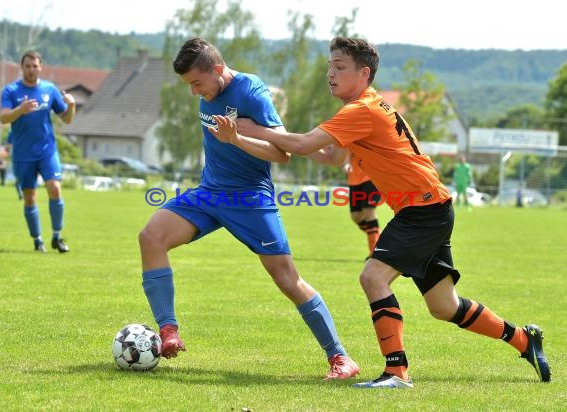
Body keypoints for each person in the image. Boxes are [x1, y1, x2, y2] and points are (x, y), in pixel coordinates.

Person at [209, 36, 551, 388]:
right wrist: (267, 138)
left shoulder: (362, 110)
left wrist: (254, 130)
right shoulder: (362, 108)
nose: (330, 73)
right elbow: (329, 157)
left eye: (340, 67)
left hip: (423, 210)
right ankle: (524, 340)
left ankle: (397, 372)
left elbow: (303, 144)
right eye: (330, 66)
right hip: (429, 207)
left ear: (364, 73)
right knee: (443, 306)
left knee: (372, 277)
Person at [138, 37, 359, 380]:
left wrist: (238, 139)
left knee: (287, 279)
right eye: (188, 85)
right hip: (210, 193)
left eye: (197, 83)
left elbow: (281, 153)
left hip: (250, 198)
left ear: (217, 70)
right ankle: (168, 333)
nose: (194, 92)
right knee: (151, 237)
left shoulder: (252, 91)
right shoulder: (206, 92)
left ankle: (341, 358)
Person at [0, 50, 75, 253]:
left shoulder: (49, 89)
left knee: (55, 189)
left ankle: (57, 237)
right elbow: (3, 118)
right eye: (27, 66)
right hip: (23, 154)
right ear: (21, 67)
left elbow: (66, 118)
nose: (31, 69)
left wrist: (72, 105)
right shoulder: (11, 91)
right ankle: (37, 240)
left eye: (35, 66)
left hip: (47, 151)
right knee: (30, 197)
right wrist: (20, 110)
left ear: (41, 67)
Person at [343, 151, 381, 258]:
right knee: (356, 216)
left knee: (369, 212)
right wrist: (346, 163)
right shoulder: (350, 135)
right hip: (354, 179)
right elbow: (348, 150)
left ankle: (375, 252)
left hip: (371, 177)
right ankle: (380, 237)